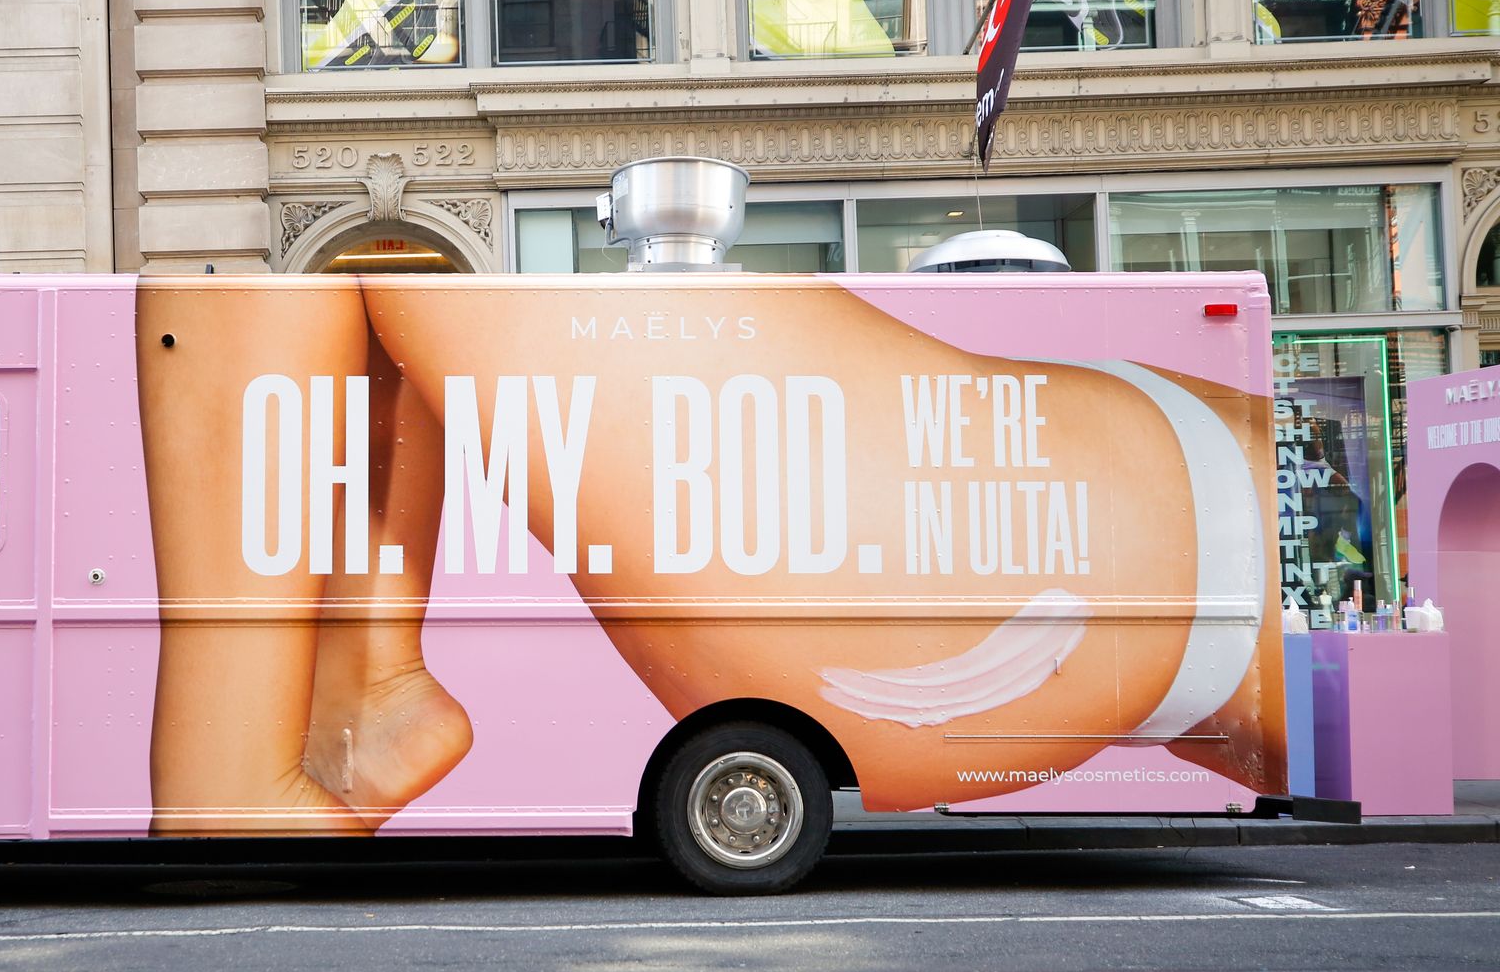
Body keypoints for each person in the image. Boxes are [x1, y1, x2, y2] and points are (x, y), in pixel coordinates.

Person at [139, 273, 1284, 829]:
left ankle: (288, 736)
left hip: (1090, 571)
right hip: (1118, 568)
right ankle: (345, 698)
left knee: (377, 267)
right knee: (391, 270)